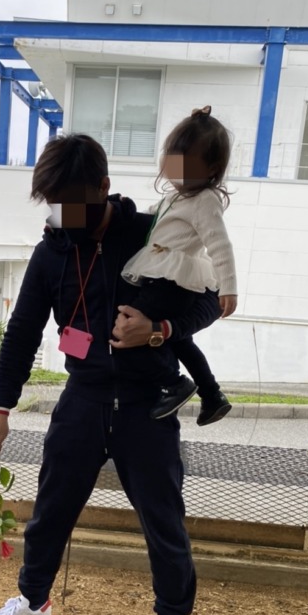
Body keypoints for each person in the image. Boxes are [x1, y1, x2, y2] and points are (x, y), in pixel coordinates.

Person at [0, 133, 223, 615]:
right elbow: (21, 332)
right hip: (83, 399)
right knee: (51, 510)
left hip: (146, 405)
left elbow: (209, 299)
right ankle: (33, 601)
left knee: (164, 521)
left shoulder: (153, 234)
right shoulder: (52, 250)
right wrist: (2, 407)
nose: (66, 216)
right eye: (56, 205)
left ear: (105, 189)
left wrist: (159, 330)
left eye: (76, 204)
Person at [122, 106, 237, 425]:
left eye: (186, 165)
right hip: (162, 275)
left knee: (125, 329)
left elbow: (219, 244)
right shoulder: (175, 197)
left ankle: (174, 384)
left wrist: (229, 288)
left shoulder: (205, 200)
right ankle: (212, 395)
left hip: (170, 281)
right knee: (181, 341)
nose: (174, 171)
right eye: (170, 161)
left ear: (212, 168)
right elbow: (148, 223)